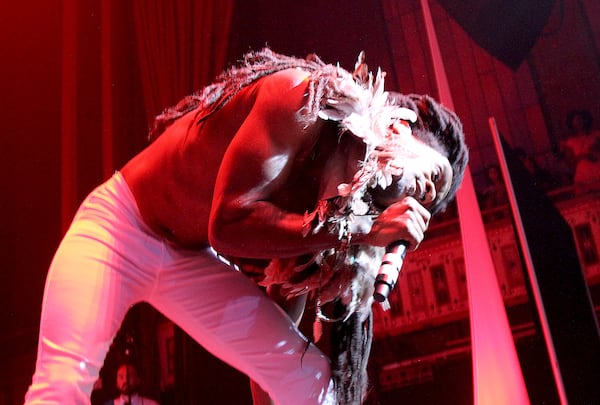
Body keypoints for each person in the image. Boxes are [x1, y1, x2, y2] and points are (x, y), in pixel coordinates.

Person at [24, 48, 468, 405]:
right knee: (61, 387)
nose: (425, 195)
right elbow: (227, 224)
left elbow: (274, 350)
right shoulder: (304, 99)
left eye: (430, 201)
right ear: (400, 126)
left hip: (188, 260)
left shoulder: (328, 207)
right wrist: (356, 233)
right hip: (117, 229)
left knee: (313, 386)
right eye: (435, 177)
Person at [561, 109, 600, 193]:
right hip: (584, 175)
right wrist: (584, 156)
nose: (580, 122)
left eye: (581, 119)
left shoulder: (596, 135)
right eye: (576, 120)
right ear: (571, 123)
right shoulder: (570, 142)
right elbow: (570, 163)